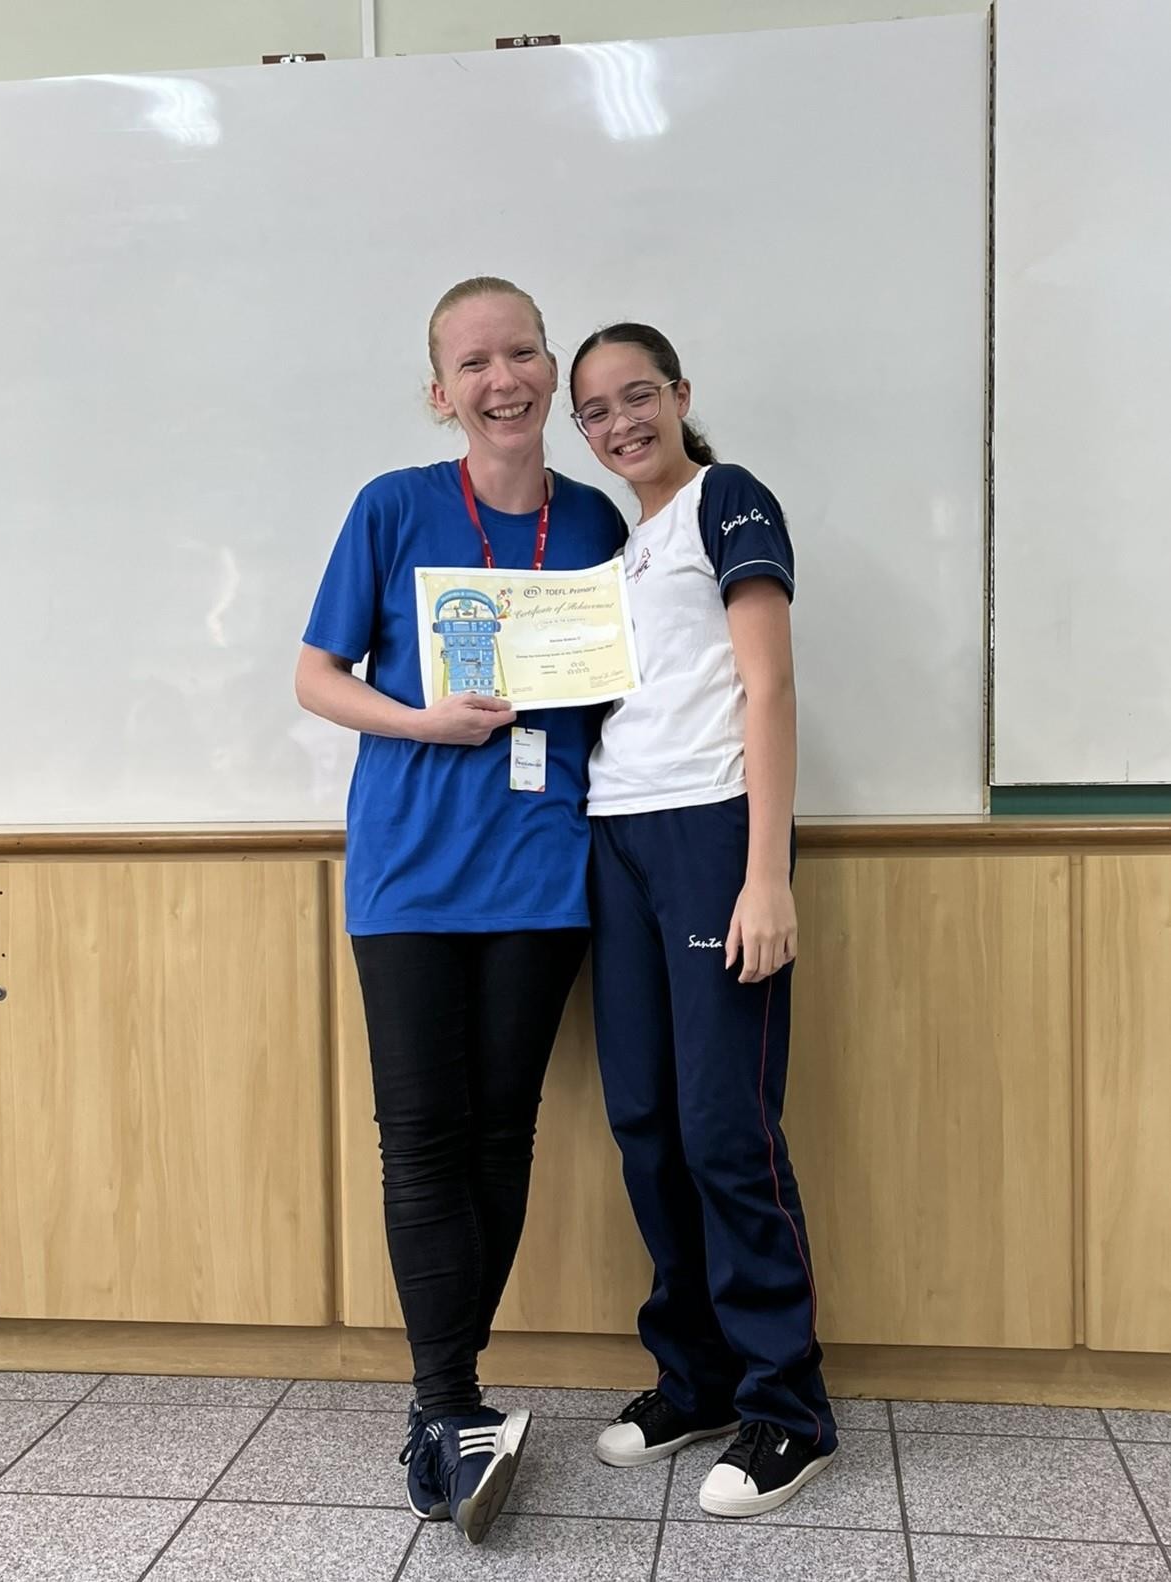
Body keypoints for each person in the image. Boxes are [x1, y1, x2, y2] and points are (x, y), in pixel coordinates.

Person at [295, 278, 623, 1544]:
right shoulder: (392, 506)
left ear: (549, 368)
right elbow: (315, 677)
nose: (503, 379)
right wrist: (424, 721)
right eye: (474, 363)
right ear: (441, 393)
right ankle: (444, 1402)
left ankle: (451, 1398)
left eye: (521, 353)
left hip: (544, 874)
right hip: (408, 879)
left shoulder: (593, 521)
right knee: (421, 1138)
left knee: (501, 1135)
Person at [568, 323, 838, 1518]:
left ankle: (790, 1407)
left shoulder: (726, 499)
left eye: (637, 395)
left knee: (727, 1127)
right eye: (594, 410)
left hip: (712, 831)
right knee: (645, 1123)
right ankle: (699, 1380)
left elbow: (767, 683)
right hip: (615, 835)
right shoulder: (617, 550)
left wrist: (764, 874)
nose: (619, 422)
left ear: (680, 394)